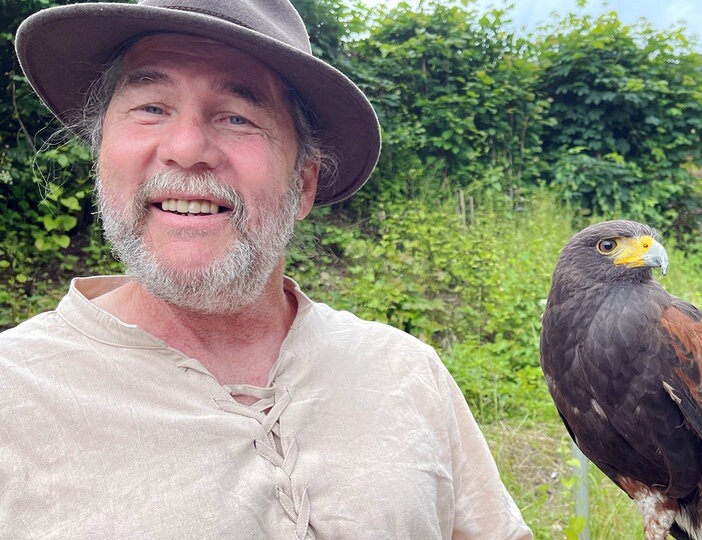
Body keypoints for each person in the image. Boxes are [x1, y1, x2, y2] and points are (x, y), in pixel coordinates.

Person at [1, 1, 533, 538]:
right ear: (101, 153)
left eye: (238, 117)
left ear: (303, 184)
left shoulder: (405, 372)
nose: (186, 149)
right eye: (150, 107)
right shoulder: (14, 393)